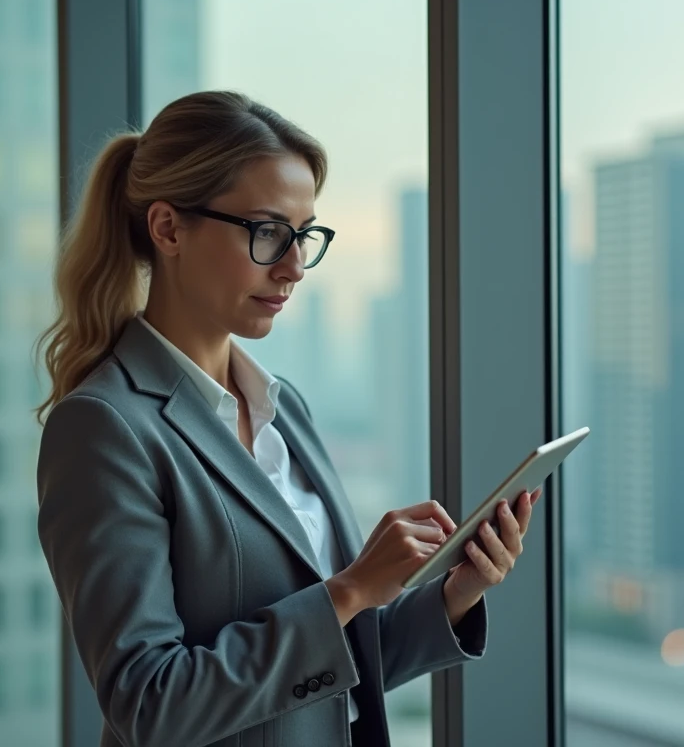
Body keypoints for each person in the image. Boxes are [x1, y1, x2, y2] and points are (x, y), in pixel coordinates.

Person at [34, 90, 541, 747]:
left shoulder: (283, 406)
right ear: (167, 229)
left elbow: (327, 672)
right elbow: (149, 704)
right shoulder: (105, 428)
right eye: (269, 232)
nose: (295, 267)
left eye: (303, 237)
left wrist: (452, 595)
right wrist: (353, 588)